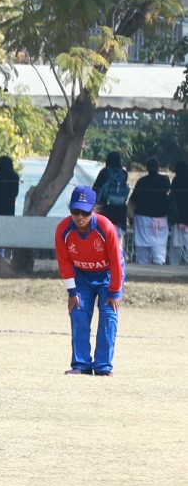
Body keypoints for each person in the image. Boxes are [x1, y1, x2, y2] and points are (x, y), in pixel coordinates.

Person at [56, 185, 124, 377]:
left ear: (93, 210)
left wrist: (114, 291)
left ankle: (103, 366)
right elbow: (64, 262)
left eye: (84, 212)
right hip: (81, 277)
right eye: (75, 211)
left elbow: (116, 261)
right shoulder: (63, 230)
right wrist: (71, 292)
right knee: (78, 314)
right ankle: (81, 364)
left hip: (108, 275)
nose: (80, 217)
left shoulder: (105, 227)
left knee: (108, 317)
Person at [129, 157, 172, 265]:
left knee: (142, 247)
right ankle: (159, 267)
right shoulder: (164, 180)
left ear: (147, 168)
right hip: (161, 218)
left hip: (142, 218)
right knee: (159, 246)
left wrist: (130, 217)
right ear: (158, 167)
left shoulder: (142, 181)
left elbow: (133, 200)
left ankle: (143, 267)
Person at [92, 151, 130, 252]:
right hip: (121, 207)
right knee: (119, 232)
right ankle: (119, 252)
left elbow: (95, 188)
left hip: (106, 206)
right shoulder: (124, 173)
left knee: (104, 231)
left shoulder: (105, 172)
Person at [170, 161, 188, 265]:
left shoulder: (176, 181)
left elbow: (172, 196)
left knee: (175, 245)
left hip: (178, 217)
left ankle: (173, 265)